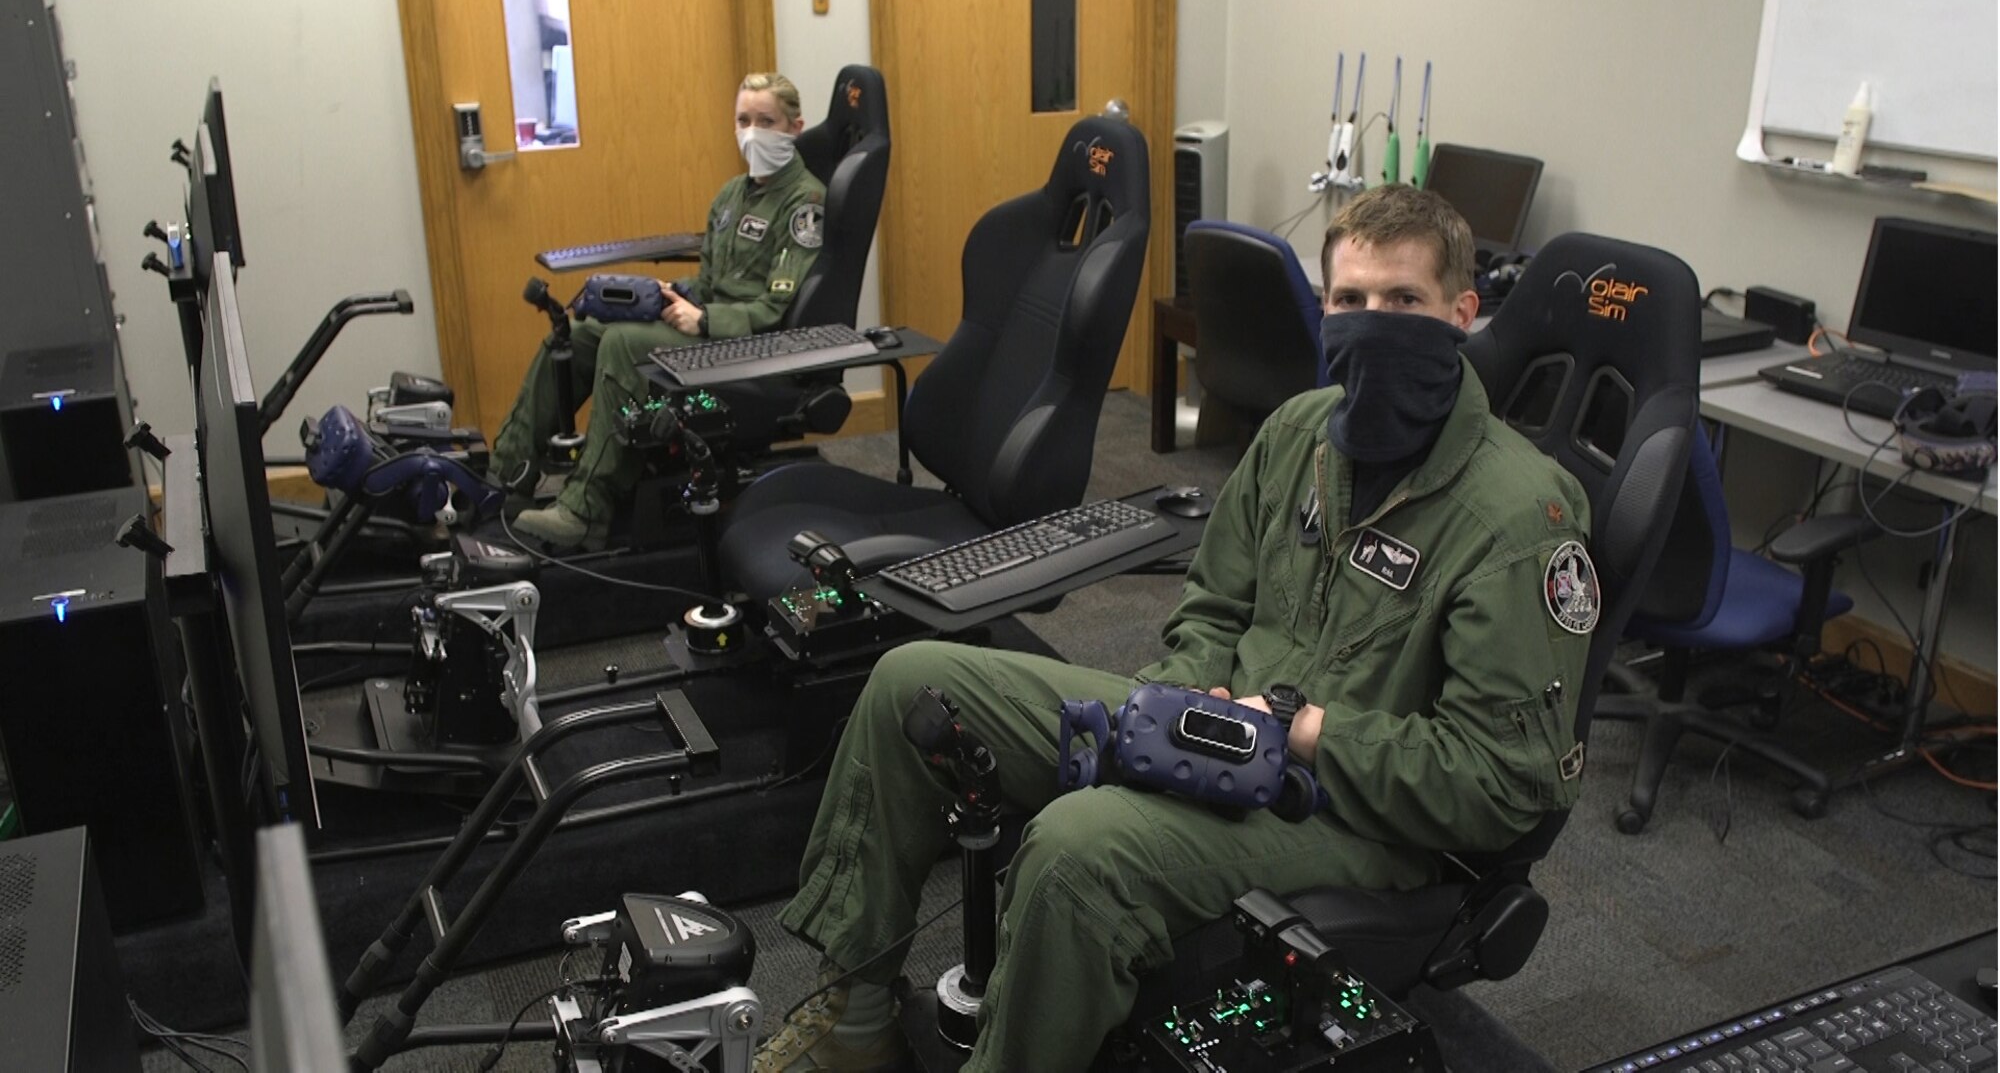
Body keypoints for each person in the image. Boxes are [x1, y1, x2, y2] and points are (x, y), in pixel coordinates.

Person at [752, 185, 1600, 1073]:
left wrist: (1308, 735)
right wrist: (1191, 689)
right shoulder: (1300, 434)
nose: (1372, 321)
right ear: (1324, 308)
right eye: (1351, 300)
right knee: (911, 680)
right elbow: (1214, 606)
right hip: (1224, 728)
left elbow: (1507, 784)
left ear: (1461, 313)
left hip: (1359, 815)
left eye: (1404, 300)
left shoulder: (1517, 517)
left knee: (1076, 853)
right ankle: (853, 1019)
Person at [495, 71, 826, 548]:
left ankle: (586, 509)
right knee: (585, 328)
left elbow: (778, 305)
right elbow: (713, 282)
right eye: (743, 119)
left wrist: (704, 318)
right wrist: (672, 293)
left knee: (624, 344)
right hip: (707, 322)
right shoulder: (732, 195)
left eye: (766, 120)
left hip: (748, 343)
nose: (752, 131)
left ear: (795, 128)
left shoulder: (805, 202)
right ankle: (508, 470)